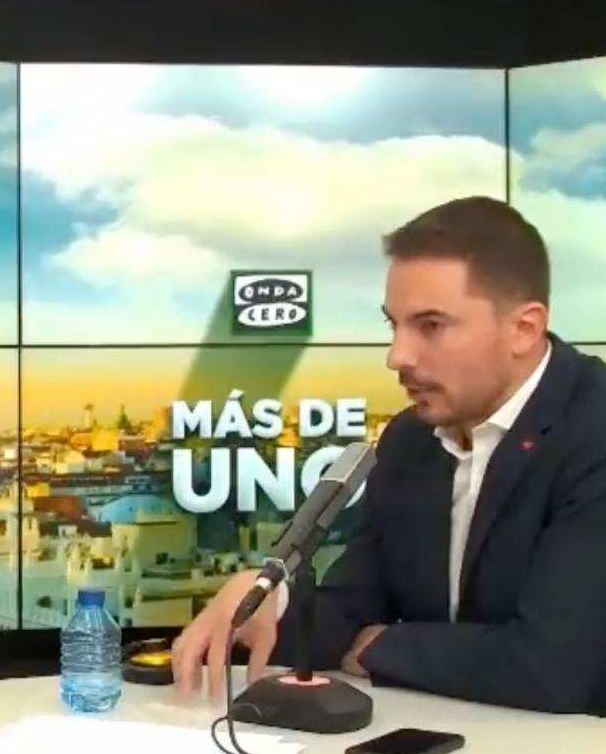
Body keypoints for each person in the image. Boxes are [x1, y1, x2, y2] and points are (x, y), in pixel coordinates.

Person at [172, 196, 606, 716]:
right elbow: (354, 603)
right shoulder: (409, 440)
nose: (397, 357)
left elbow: (551, 670)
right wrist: (268, 604)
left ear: (523, 329)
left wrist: (380, 647)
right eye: (393, 326)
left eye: (431, 326)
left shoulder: (594, 430)